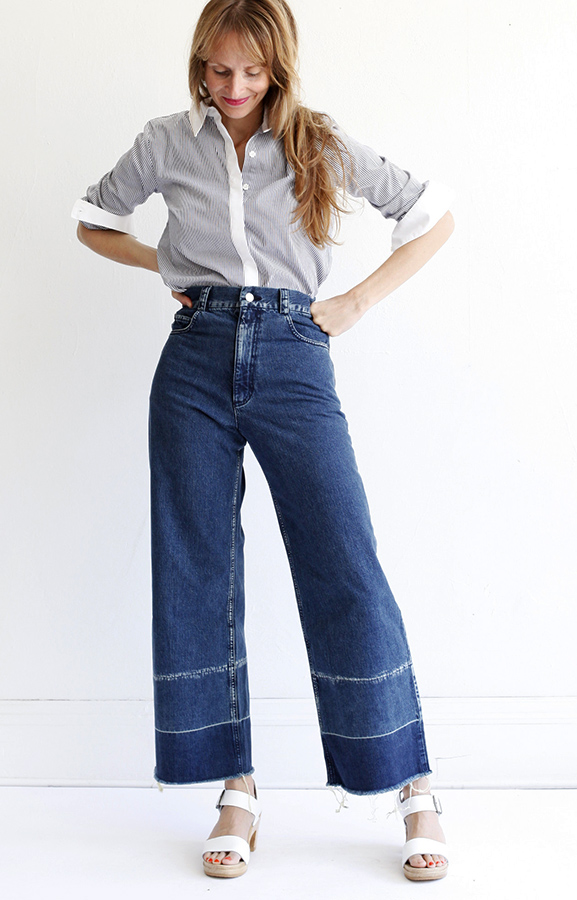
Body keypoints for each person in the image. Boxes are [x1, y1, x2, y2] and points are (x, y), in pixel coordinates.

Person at [72, 0, 455, 883]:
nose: (234, 86)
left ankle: (413, 785)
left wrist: (355, 303)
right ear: (199, 65)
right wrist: (166, 265)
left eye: (251, 71)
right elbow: (92, 218)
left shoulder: (319, 141)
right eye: (218, 69)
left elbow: (432, 214)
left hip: (293, 353)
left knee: (343, 560)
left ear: (278, 67)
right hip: (194, 359)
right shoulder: (167, 142)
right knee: (197, 569)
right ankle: (235, 788)